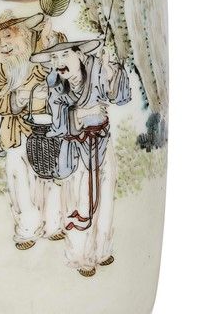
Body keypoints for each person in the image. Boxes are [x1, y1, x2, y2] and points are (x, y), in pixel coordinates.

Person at [29, 39, 131, 276]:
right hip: (74, 150)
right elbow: (58, 124)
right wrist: (81, 113)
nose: (59, 63)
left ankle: (101, 250)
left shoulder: (97, 69)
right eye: (54, 58)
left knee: (105, 197)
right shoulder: (57, 85)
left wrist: (112, 72)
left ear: (80, 55)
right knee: (77, 201)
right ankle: (80, 257)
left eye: (65, 55)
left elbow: (120, 97)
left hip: (102, 144)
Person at [0, 10, 65, 249]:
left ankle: (53, 224)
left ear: (22, 33)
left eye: (7, 36)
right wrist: (18, 98)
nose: (3, 44)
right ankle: (27, 229)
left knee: (51, 173)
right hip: (15, 128)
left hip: (47, 123)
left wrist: (50, 38)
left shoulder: (39, 42)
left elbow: (61, 53)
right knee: (19, 177)